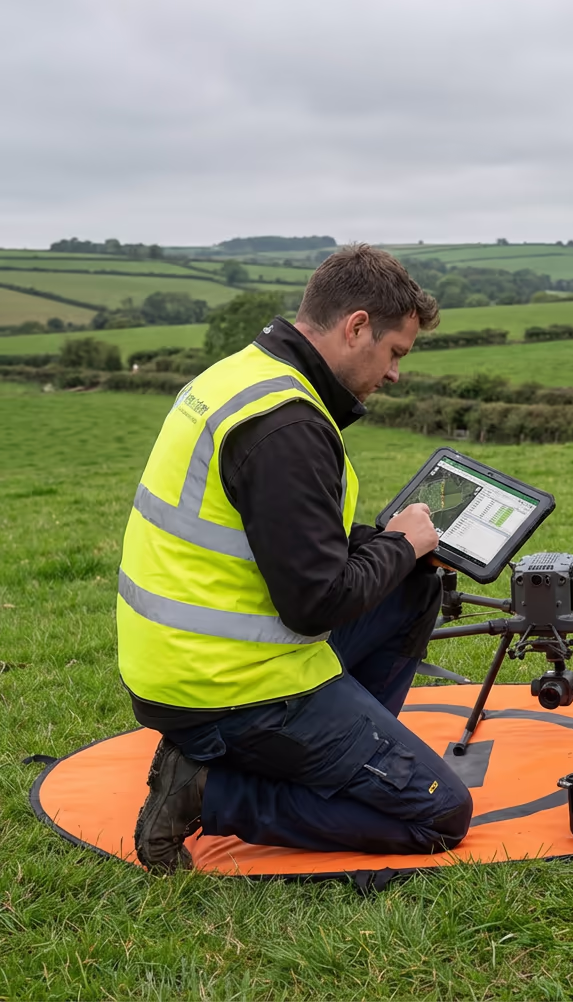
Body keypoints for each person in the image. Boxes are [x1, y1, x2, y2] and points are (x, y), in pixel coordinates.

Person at [119, 244, 473, 873]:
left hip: (187, 662)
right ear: (356, 326)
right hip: (230, 687)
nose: (395, 375)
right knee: (439, 813)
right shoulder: (289, 425)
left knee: (414, 582)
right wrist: (400, 542)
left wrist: (395, 547)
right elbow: (316, 605)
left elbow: (285, 541)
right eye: (395, 353)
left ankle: (346, 753)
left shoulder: (243, 376)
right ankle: (207, 789)